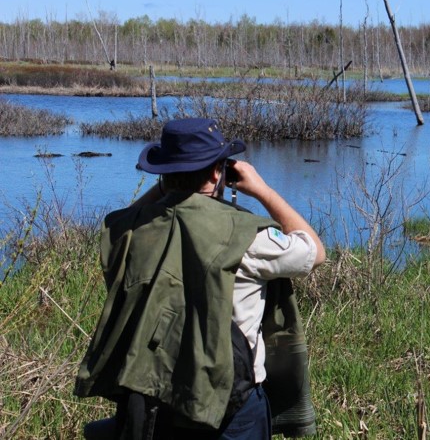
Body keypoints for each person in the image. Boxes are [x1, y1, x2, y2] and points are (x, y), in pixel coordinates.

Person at [74, 118, 326, 439]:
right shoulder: (247, 236)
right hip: (231, 400)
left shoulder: (130, 232)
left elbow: (120, 223)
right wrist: (262, 189)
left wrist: (169, 184)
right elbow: (314, 251)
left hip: (155, 392)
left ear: (163, 172)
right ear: (217, 173)